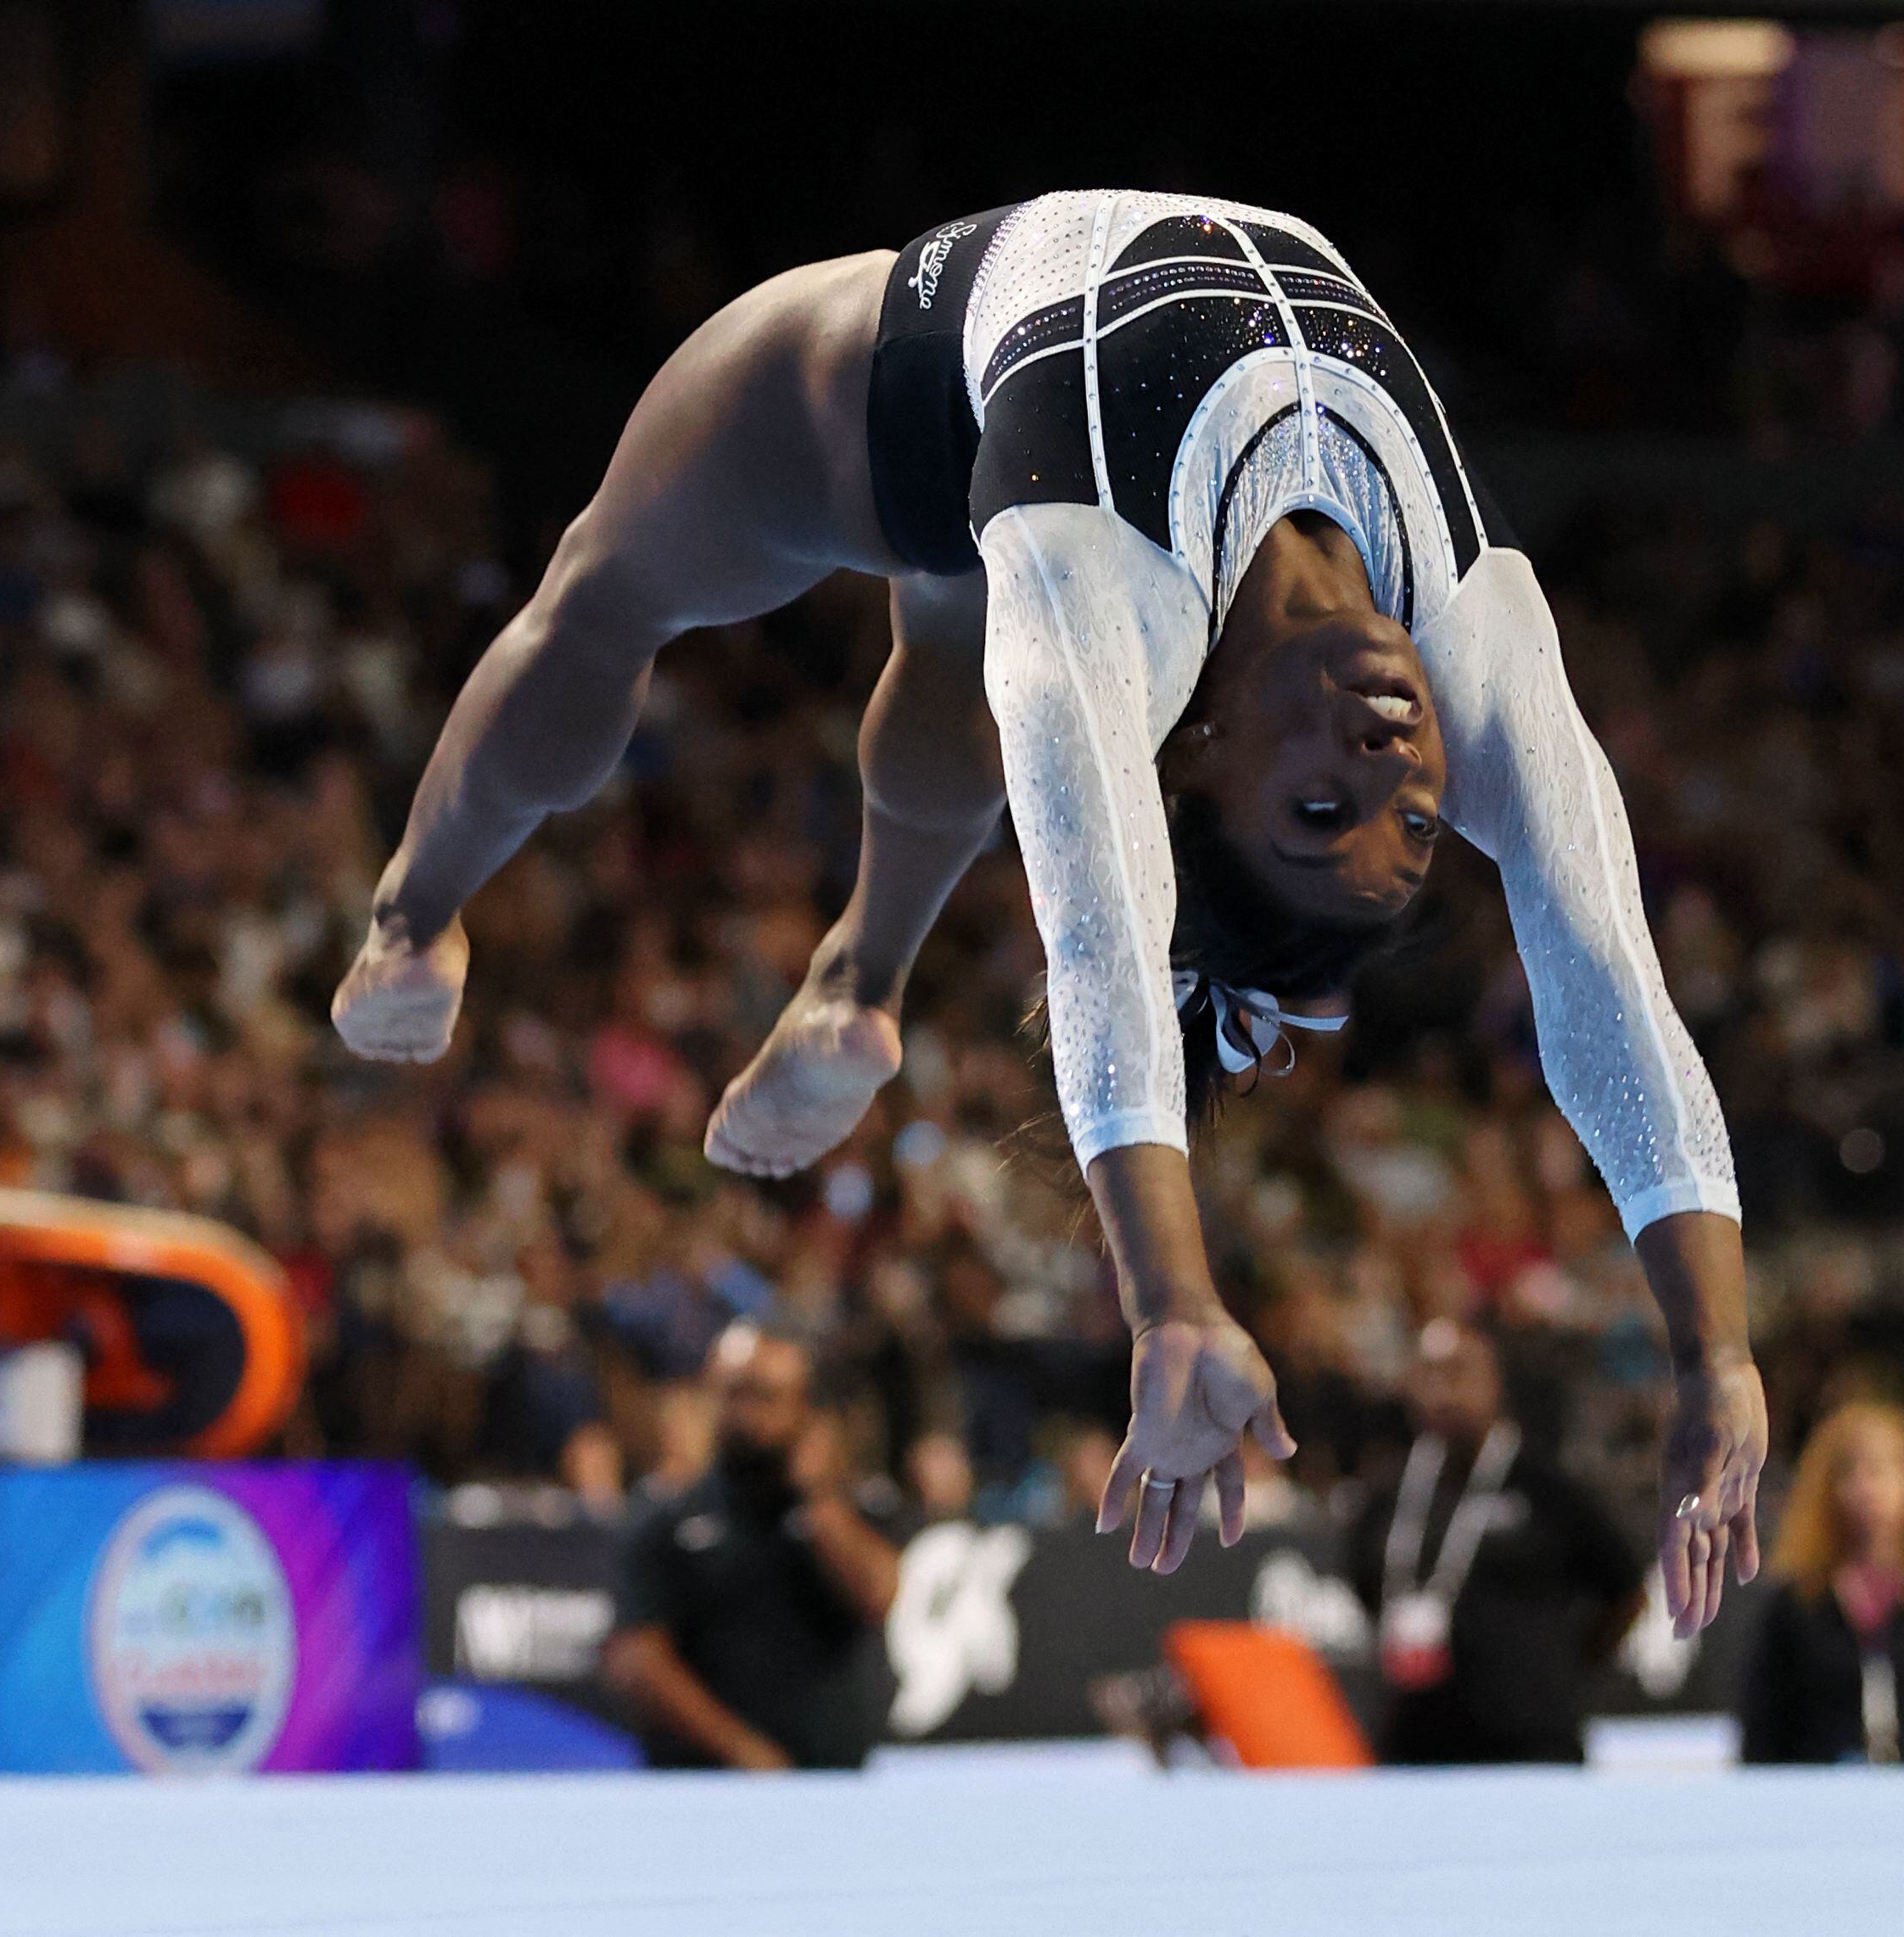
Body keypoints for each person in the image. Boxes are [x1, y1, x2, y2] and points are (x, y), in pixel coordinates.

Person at [328, 190, 1762, 1629]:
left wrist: (1173, 1301)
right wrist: (1716, 1354)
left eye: (1318, 813)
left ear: (1193, 755)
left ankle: (417, 915)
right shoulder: (1475, 640)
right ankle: (855, 980)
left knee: (607, 588)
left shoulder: (1108, 592)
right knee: (950, 630)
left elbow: (1105, 948)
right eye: (1409, 819)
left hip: (891, 397)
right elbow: (1608, 975)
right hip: (1001, 422)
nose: (1386, 770)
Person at [1348, 1321, 1649, 1764]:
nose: (1444, 1393)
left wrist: (1563, 1668)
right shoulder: (1388, 1495)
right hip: (1416, 1746)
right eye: (1429, 1375)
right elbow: (1363, 1584)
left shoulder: (1548, 1489)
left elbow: (1626, 1591)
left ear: (1495, 1382)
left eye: (1458, 1374)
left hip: (1531, 1745)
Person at [602, 1327, 901, 1770]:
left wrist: (817, 1500)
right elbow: (636, 1659)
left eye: (765, 1396)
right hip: (701, 1788)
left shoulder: (850, 1508)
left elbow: (879, 1599)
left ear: (806, 1409)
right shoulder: (665, 1517)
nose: (745, 1412)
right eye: (732, 1393)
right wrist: (740, 1750)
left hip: (831, 1786)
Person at [1734, 1401, 1904, 1765]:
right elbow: (1760, 1739)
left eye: (1885, 1469)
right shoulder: (1795, 1610)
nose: (1867, 1487)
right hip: (1818, 1805)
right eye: (1851, 1471)